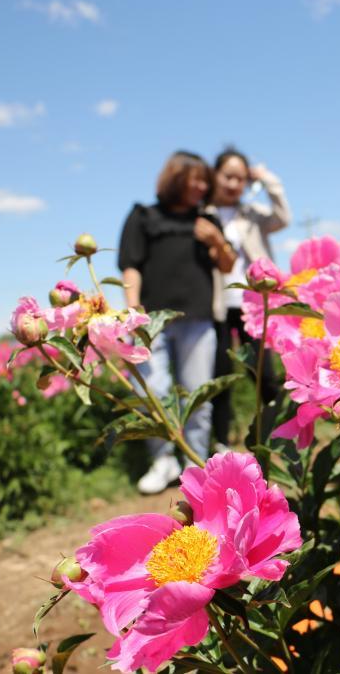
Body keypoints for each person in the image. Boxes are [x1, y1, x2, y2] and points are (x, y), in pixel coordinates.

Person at [118, 151, 236, 494]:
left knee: (199, 396)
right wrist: (133, 311)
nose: (201, 186)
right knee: (151, 391)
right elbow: (130, 265)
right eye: (194, 179)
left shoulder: (208, 218)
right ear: (174, 178)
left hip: (198, 320)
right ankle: (163, 458)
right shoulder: (144, 216)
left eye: (204, 180)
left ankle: (195, 466)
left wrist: (216, 240)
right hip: (151, 321)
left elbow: (227, 265)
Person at [207, 147, 291, 449]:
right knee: (220, 376)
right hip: (216, 305)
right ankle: (221, 442)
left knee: (265, 374)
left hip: (254, 305)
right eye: (228, 176)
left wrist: (267, 179)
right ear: (214, 175)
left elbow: (283, 217)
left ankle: (277, 433)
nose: (233, 184)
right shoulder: (204, 214)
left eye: (241, 178)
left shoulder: (252, 214)